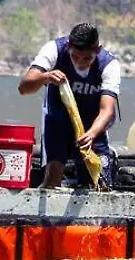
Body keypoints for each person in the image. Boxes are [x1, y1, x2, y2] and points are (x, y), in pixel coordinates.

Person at [18, 22, 120, 188]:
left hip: (92, 127)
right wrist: (45, 77)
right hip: (58, 121)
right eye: (75, 57)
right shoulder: (54, 50)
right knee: (52, 179)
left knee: (99, 185)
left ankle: (106, 160)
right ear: (68, 47)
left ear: (97, 50)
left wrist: (92, 134)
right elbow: (24, 88)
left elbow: (107, 110)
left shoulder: (108, 64)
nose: (80, 63)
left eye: (87, 58)